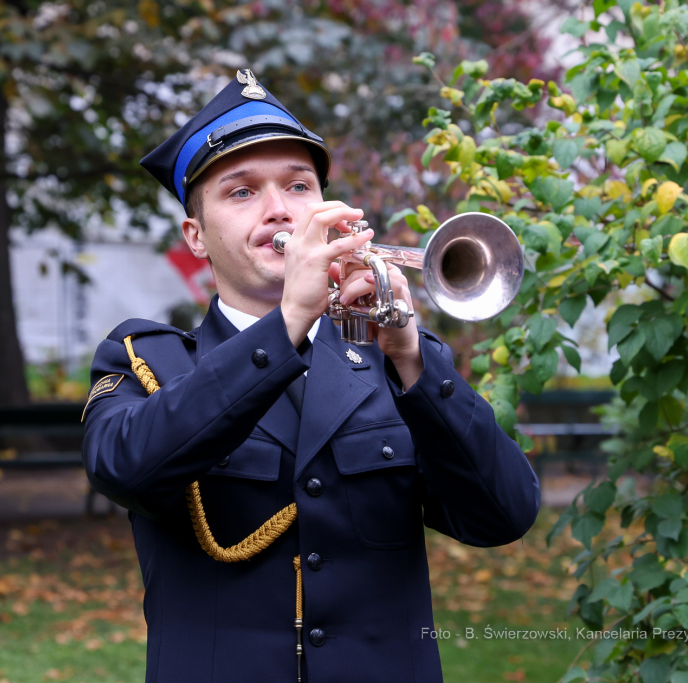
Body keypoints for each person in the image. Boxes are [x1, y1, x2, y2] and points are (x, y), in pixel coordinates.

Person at [81, 70, 540, 683]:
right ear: (196, 235)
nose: (279, 210)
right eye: (241, 192)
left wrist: (413, 360)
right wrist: (291, 320)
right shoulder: (148, 360)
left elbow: (503, 515)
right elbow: (127, 469)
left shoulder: (395, 359)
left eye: (298, 186)